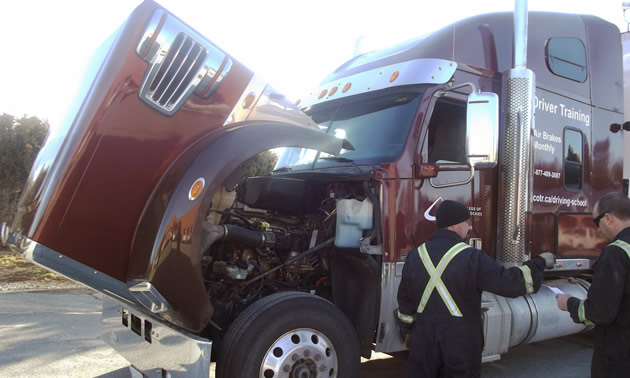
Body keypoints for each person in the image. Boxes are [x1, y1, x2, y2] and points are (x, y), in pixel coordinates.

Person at [396, 200, 554, 377]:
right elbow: (510, 284)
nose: (470, 228)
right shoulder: (472, 256)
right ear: (456, 225)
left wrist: (408, 328)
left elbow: (405, 300)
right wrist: (538, 264)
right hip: (460, 343)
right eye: (468, 223)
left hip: (423, 340)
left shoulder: (416, 256)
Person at [556, 192, 630, 377]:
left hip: (618, 353)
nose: (598, 230)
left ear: (608, 218)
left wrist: (569, 303)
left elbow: (599, 312)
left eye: (597, 222)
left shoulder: (615, 252)